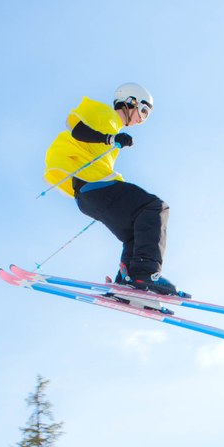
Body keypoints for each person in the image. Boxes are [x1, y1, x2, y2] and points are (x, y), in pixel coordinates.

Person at [44, 82, 180, 294]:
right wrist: (110, 138)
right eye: (142, 111)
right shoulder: (105, 114)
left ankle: (126, 285)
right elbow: (77, 130)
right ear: (130, 101)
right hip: (95, 187)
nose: (141, 119)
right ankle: (145, 274)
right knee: (156, 207)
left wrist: (112, 138)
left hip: (87, 195)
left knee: (135, 233)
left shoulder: (112, 127)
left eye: (147, 116)